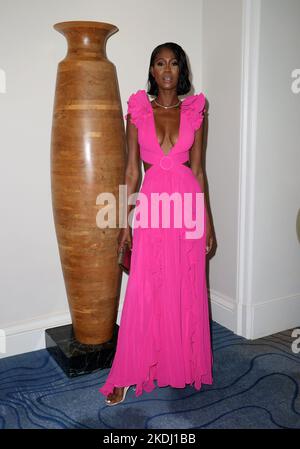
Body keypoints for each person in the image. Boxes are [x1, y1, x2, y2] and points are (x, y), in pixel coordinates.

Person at [99, 42, 215, 405]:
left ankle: (179, 364)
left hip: (186, 208)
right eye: (160, 63)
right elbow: (131, 170)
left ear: (182, 71)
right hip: (152, 208)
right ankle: (126, 373)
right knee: (144, 291)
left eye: (174, 63)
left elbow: (198, 170)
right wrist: (124, 221)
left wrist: (208, 221)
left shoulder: (196, 111)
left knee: (184, 286)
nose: (167, 69)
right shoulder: (137, 110)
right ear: (151, 71)